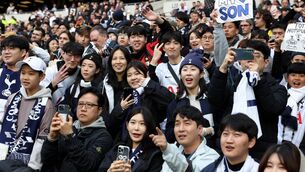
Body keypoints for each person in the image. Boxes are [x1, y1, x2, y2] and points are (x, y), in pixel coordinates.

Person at [208, 39, 287, 159]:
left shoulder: (277, 88)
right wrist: (223, 68)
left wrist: (258, 80)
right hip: (230, 146)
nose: (251, 59)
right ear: (239, 61)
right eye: (246, 55)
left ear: (265, 63)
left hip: (260, 151)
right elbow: (214, 100)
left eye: (256, 56)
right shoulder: (234, 83)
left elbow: (273, 108)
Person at [0, 56, 55, 171]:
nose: (25, 77)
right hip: (3, 156)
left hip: (25, 163)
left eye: (31, 74)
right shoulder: (13, 97)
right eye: (23, 73)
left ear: (41, 77)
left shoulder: (47, 104)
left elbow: (41, 140)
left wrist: (33, 167)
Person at [41, 87, 113, 172]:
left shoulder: (104, 137)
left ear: (99, 110)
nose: (83, 109)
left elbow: (88, 165)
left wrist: (70, 136)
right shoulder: (68, 127)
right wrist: (52, 138)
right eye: (80, 104)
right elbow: (46, 160)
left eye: (89, 105)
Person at [106, 61, 174, 141]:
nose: (133, 77)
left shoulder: (153, 93)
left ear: (146, 75)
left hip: (150, 142)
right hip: (126, 143)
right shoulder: (125, 95)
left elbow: (171, 101)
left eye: (137, 73)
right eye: (129, 75)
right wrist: (120, 109)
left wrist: (148, 84)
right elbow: (111, 125)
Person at [166, 50, 215, 144]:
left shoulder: (210, 97)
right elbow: (169, 135)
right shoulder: (175, 103)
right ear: (180, 75)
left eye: (193, 69)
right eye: (184, 70)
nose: (188, 73)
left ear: (201, 74)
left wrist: (210, 130)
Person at [150, 105, 219, 172]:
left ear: (200, 129)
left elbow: (189, 169)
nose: (181, 129)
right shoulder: (173, 150)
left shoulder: (212, 157)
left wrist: (167, 150)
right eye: (177, 124)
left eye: (187, 123)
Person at [99, 107, 163, 172]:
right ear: (127, 125)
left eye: (142, 124)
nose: (136, 128)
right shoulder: (117, 148)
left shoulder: (155, 155)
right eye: (133, 122)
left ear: (148, 127)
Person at [61, 53, 103, 121]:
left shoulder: (101, 88)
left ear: (97, 70)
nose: (85, 69)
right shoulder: (73, 87)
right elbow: (64, 105)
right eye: (83, 65)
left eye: (90, 66)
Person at [0, 35, 29, 122]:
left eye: (11, 48)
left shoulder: (31, 76)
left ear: (23, 52)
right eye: (4, 49)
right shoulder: (0, 72)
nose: (6, 52)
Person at [277, 63, 305, 154]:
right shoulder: (280, 92)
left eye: (301, 76)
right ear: (287, 77)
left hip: (299, 145)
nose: (297, 78)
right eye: (293, 75)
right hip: (278, 141)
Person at [100, 46, 130, 121]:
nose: (118, 62)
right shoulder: (104, 85)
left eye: (122, 58)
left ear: (128, 61)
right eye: (114, 59)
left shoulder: (133, 83)